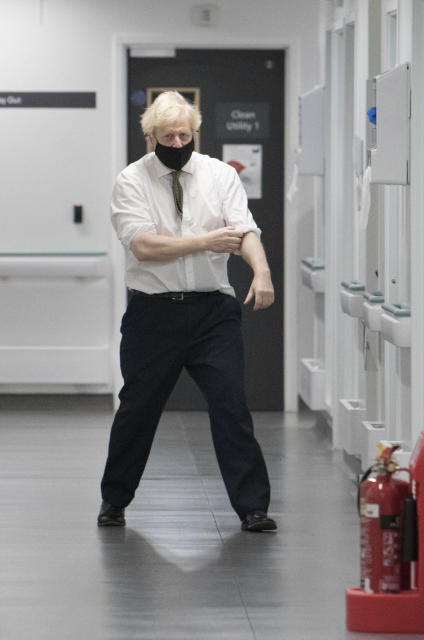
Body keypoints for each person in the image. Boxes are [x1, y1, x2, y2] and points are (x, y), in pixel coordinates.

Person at [98, 91, 276, 532]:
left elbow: (244, 229)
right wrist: (205, 242)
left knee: (231, 406)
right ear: (150, 136)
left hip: (212, 311)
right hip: (153, 314)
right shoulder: (132, 181)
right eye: (167, 135)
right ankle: (114, 501)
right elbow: (144, 245)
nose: (177, 143)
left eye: (184, 134)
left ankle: (253, 508)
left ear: (195, 132)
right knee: (137, 409)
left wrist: (262, 272)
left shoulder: (219, 175)